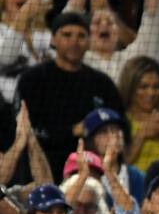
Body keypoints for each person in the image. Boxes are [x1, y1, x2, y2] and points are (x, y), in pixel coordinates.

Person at [14, 11, 125, 182]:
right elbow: (27, 130)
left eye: (81, 36)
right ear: (53, 40)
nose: (74, 42)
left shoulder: (102, 84)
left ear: (88, 42)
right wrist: (72, 131)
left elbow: (121, 127)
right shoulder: (32, 80)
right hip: (37, 171)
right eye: (67, 35)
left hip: (90, 174)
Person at [0, 0, 52, 103]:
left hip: (43, 96)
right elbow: (4, 58)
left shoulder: (43, 34)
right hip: (7, 102)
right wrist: (22, 18)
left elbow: (67, 45)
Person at [80, 108, 146, 208]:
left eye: (116, 129)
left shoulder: (139, 177)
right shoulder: (84, 178)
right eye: (104, 132)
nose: (113, 135)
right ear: (92, 141)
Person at [117, 56, 159, 173]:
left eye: (156, 87)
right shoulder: (119, 122)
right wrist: (142, 134)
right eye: (143, 87)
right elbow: (118, 165)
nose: (151, 93)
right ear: (130, 87)